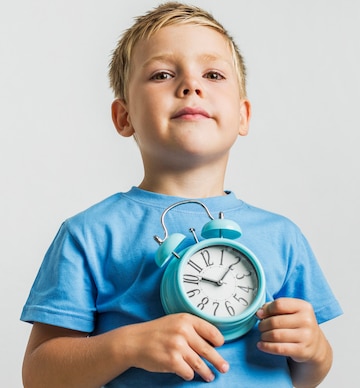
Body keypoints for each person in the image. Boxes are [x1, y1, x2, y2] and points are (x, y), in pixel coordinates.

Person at [20, 2, 342, 387]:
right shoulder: (89, 234)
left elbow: (303, 376)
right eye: (162, 74)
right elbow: (40, 376)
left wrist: (316, 351)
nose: (192, 86)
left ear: (242, 115)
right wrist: (129, 345)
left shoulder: (282, 236)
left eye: (213, 73)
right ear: (124, 117)